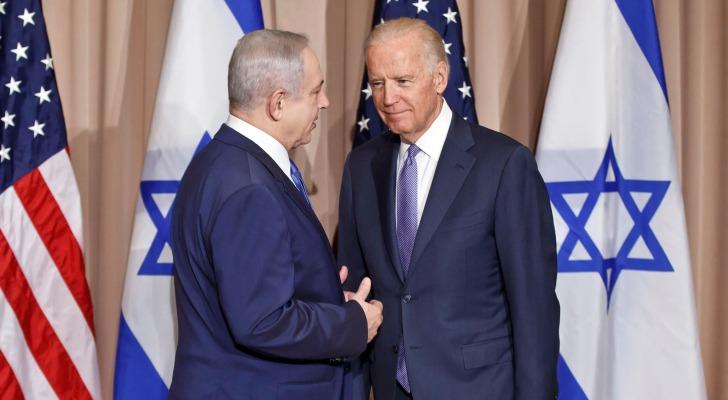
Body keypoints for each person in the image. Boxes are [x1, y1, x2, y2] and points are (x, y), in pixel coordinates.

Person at [338, 18, 559, 400]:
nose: (387, 98)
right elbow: (355, 294)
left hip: (478, 389)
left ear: (440, 77)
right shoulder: (361, 167)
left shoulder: (503, 164)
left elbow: (533, 308)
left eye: (403, 81)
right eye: (378, 83)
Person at [169, 29, 383, 399]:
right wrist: (351, 324)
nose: (326, 103)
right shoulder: (250, 187)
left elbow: (248, 289)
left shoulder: (219, 160)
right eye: (316, 91)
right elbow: (262, 320)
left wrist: (324, 296)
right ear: (278, 103)